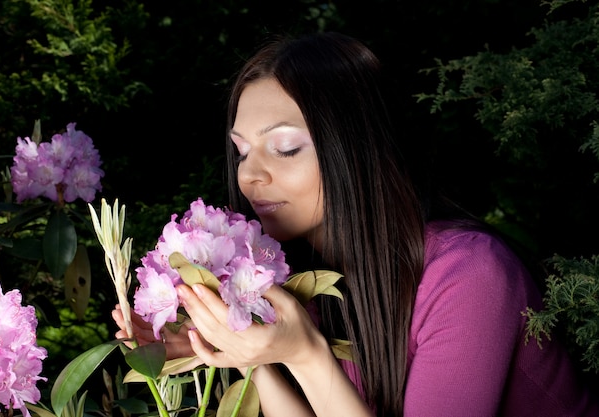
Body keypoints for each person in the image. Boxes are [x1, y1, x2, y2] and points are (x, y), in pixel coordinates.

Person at [113, 32, 599, 416]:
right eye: (241, 151)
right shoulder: (310, 285)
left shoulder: (470, 275)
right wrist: (240, 349)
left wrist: (306, 354)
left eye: (284, 147)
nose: (248, 174)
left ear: (358, 149)